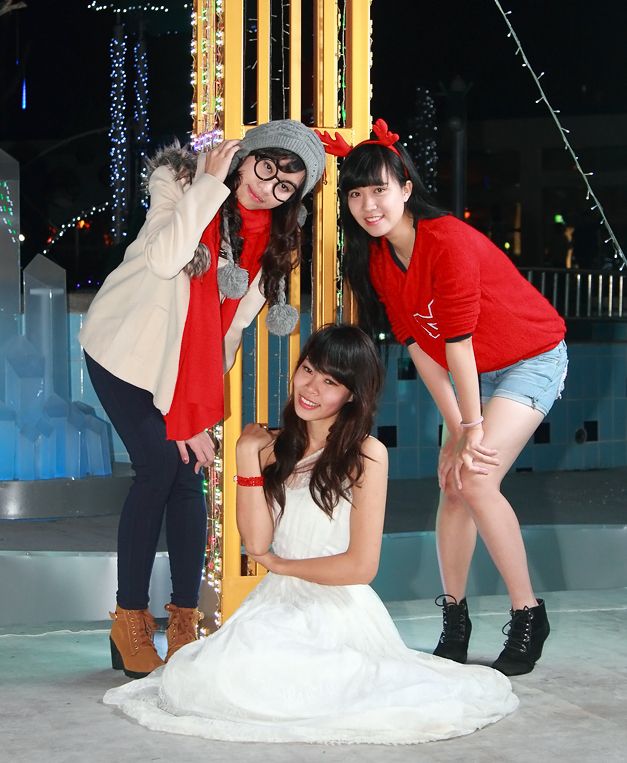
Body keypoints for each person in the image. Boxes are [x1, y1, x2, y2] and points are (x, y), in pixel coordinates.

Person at [102, 324, 518, 744]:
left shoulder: (367, 454)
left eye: (330, 382)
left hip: (338, 607)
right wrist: (246, 456)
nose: (311, 388)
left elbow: (361, 567)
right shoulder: (271, 447)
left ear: (352, 394)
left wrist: (282, 565)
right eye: (308, 370)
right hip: (274, 604)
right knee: (214, 677)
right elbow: (257, 543)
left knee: (314, 686)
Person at [319, 118, 568, 677]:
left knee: (475, 477)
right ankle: (455, 620)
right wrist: (457, 428)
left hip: (530, 357)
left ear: (406, 188)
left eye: (378, 190)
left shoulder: (447, 240)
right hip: (473, 372)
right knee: (453, 483)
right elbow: (420, 347)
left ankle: (528, 614)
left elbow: (457, 343)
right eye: (355, 195)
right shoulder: (379, 259)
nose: (367, 205)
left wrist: (470, 431)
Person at [79, 120, 325, 679]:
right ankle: (129, 619)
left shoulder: (269, 243)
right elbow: (166, 258)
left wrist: (196, 401)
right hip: (125, 352)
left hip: (185, 372)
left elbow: (229, 330)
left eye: (286, 185)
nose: (268, 187)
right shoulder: (179, 183)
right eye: (267, 166)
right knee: (158, 468)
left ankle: (184, 621)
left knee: (189, 477)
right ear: (246, 155)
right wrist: (209, 186)